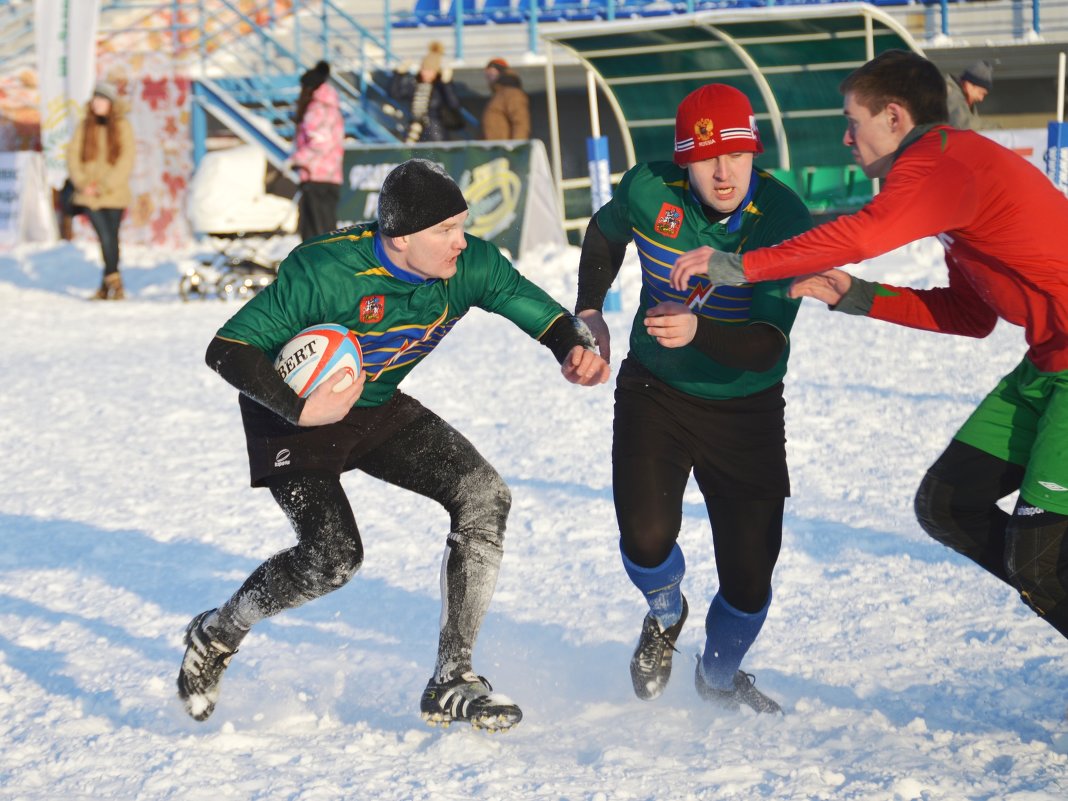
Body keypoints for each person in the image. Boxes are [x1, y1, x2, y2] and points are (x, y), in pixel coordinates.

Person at [176, 158, 610, 730]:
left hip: (373, 404)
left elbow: (539, 313)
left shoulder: (469, 264)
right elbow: (228, 348)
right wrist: (302, 409)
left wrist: (571, 348)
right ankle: (218, 632)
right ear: (400, 239)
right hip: (288, 415)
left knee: (484, 496)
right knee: (333, 559)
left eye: (462, 225)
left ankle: (451, 678)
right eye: (446, 231)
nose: (462, 241)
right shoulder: (325, 270)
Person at [670, 49, 1068, 645]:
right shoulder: (949, 177)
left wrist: (739, 265)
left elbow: (864, 231)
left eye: (853, 122)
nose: (846, 138)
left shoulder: (939, 161)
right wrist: (854, 295)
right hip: (1047, 365)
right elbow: (970, 316)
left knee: (1037, 560)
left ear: (894, 117)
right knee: (948, 506)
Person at [575, 84, 813, 714]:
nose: (724, 170)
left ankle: (718, 675)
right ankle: (665, 612)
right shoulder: (649, 189)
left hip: (748, 406)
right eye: (707, 158)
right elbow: (602, 237)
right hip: (657, 390)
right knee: (646, 535)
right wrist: (590, 309)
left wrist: (699, 329)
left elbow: (766, 345)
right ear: (684, 161)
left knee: (750, 576)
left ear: (754, 151)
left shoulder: (783, 219)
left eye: (737, 154)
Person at [66, 80, 134, 300]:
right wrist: (84, 183)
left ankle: (107, 287)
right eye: (95, 98)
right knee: (105, 236)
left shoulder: (122, 126)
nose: (96, 103)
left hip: (113, 193)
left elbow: (126, 160)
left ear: (111, 103)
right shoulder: (85, 125)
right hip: (88, 195)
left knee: (112, 238)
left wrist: (104, 185)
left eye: (101, 99)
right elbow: (73, 156)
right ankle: (115, 281)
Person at [291, 60, 344, 241]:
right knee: (327, 232)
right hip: (330, 177)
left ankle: (317, 269)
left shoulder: (316, 110)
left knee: (314, 236)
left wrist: (296, 159)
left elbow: (320, 144)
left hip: (316, 178)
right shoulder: (332, 108)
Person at [389, 41, 464, 143]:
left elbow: (454, 104)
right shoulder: (414, 85)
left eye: (429, 70)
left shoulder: (440, 87)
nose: (425, 73)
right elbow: (395, 94)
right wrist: (398, 74)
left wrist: (447, 84)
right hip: (415, 134)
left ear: (436, 71)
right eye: (424, 69)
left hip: (437, 135)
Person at [481, 58, 530, 141]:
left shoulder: (512, 93)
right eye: (487, 75)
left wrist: (516, 148)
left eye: (491, 73)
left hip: (505, 150)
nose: (488, 78)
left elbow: (520, 122)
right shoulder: (498, 95)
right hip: (495, 149)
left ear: (501, 72)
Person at [945, 59, 993, 130]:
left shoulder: (965, 98)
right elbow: (962, 125)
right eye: (980, 92)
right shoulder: (950, 93)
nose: (981, 98)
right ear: (968, 85)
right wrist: (995, 129)